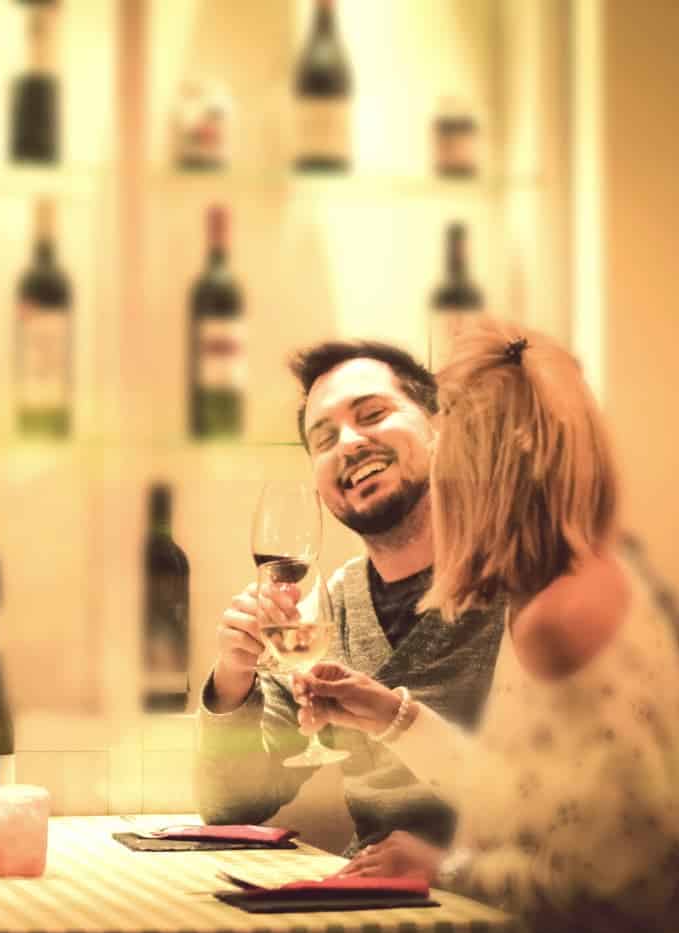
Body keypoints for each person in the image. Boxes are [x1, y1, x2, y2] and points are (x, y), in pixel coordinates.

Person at [295, 323, 679, 933]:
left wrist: (441, 867)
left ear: (491, 468)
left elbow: (616, 882)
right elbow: (533, 800)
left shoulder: (559, 619)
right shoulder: (560, 593)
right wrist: (393, 716)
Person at [196, 341, 504, 854]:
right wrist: (233, 676)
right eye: (324, 438)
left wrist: (445, 868)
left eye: (373, 414)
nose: (348, 442)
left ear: (439, 426)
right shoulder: (330, 606)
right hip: (374, 916)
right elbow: (231, 806)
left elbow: (571, 813)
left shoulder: (523, 584)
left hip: (497, 919)